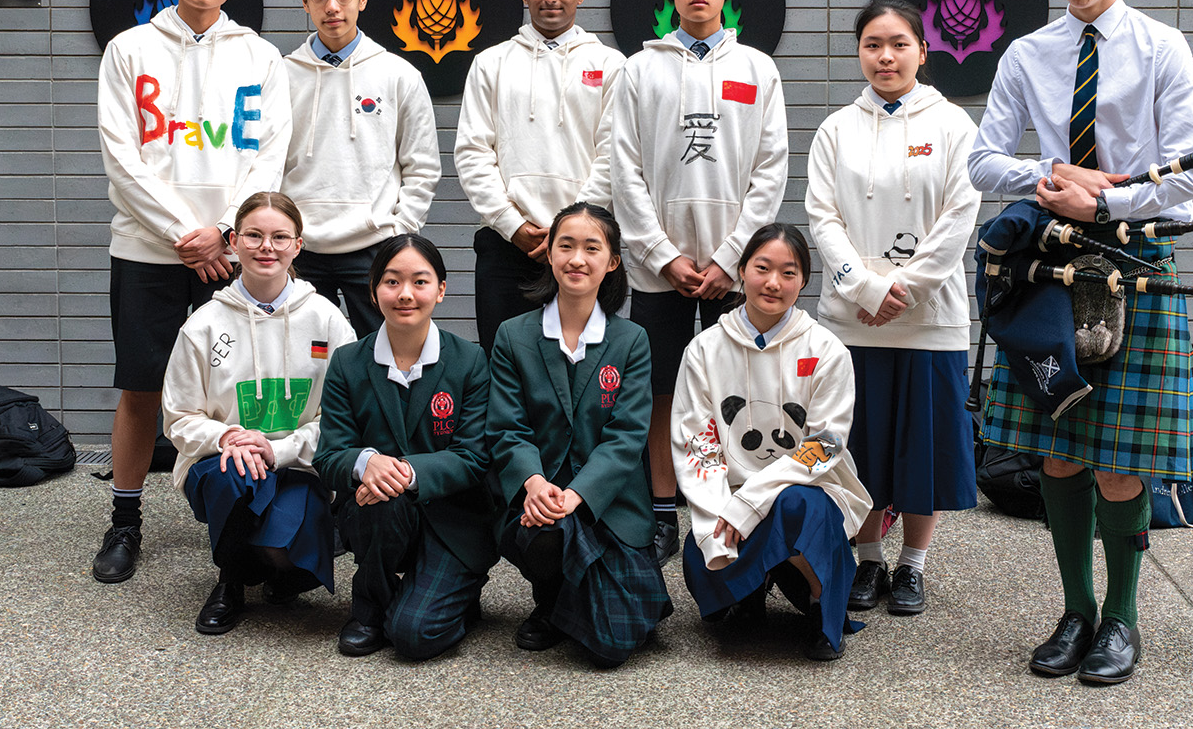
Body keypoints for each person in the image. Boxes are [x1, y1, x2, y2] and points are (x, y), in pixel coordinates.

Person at [968, 0, 1193, 685]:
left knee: (1119, 462)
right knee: (1058, 455)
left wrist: (1105, 197)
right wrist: (1050, 179)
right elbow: (981, 161)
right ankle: (1075, 610)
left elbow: (1188, 178)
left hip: (1135, 260)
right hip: (1051, 256)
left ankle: (1123, 619)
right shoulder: (1027, 54)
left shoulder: (1162, 48)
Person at [93, 0, 292, 584]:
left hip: (231, 256)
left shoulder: (260, 58)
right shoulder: (129, 51)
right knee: (142, 387)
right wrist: (188, 235)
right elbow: (122, 160)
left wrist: (227, 237)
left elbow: (269, 159)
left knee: (236, 391)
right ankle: (125, 522)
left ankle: (240, 523)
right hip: (149, 251)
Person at [610, 0, 789, 564]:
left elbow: (770, 172)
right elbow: (622, 169)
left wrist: (729, 259)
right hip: (661, 269)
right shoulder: (639, 69)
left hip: (731, 271)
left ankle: (724, 508)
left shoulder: (756, 70)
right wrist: (663, 255)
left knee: (728, 392)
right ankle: (662, 509)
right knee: (661, 388)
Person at [805, 0, 983, 618]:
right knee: (858, 444)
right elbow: (821, 218)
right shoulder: (836, 128)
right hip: (852, 320)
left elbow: (962, 215)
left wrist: (909, 287)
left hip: (929, 319)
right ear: (859, 52)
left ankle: (912, 566)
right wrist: (865, 288)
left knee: (922, 447)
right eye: (873, 44)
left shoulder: (955, 126)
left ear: (922, 51)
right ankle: (868, 559)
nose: (885, 56)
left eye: (898, 43)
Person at [672, 224, 873, 661]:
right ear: (742, 270)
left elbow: (823, 446)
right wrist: (717, 518)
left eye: (789, 272)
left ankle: (822, 602)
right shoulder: (705, 349)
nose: (774, 283)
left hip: (812, 492)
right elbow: (698, 445)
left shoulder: (827, 350)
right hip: (733, 495)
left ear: (803, 281)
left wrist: (753, 503)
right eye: (762, 268)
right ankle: (751, 591)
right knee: (703, 553)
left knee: (794, 506)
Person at [486, 202, 672, 668]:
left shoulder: (630, 339)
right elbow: (507, 426)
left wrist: (578, 496)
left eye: (592, 247)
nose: (577, 259)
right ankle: (550, 602)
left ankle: (582, 598)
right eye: (565, 245)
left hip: (610, 505)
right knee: (549, 532)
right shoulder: (513, 335)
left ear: (611, 262)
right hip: (537, 501)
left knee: (614, 644)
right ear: (548, 254)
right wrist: (533, 483)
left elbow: (627, 436)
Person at [161, 192, 356, 634]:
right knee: (238, 473)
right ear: (233, 241)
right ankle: (229, 580)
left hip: (298, 466)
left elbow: (342, 420)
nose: (266, 247)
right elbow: (178, 417)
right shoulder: (203, 324)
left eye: (279, 237)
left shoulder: (329, 322)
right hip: (223, 466)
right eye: (253, 235)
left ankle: (274, 564)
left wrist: (277, 448)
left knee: (289, 561)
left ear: (297, 246)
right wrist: (228, 438)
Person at [312, 234, 494, 659]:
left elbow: (474, 457)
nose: (406, 294)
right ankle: (369, 607)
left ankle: (457, 596)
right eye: (392, 282)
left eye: (420, 281)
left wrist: (405, 471)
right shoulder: (347, 361)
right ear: (374, 291)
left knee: (414, 636)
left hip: (452, 521)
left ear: (441, 290)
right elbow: (329, 454)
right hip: (376, 512)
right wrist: (366, 463)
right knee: (382, 497)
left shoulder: (470, 361)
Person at [454, 0, 624, 353]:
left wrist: (572, 230)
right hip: (506, 242)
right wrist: (513, 226)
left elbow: (614, 155)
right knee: (505, 363)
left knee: (585, 364)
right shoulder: (491, 62)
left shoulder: (610, 65)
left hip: (588, 245)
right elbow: (473, 152)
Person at [282, 0, 442, 338]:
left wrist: (399, 232)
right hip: (302, 249)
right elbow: (267, 162)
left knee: (383, 355)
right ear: (304, 1)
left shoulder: (397, 74)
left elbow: (421, 165)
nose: (331, 7)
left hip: (374, 245)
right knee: (302, 359)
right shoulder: (281, 74)